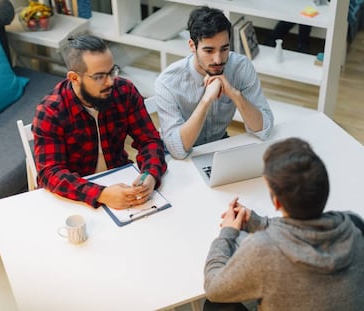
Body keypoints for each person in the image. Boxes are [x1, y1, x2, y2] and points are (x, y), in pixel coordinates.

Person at [203, 137, 364, 310]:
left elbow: (213, 288)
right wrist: (257, 222)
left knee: (214, 305)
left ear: (277, 203)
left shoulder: (263, 250)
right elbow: (305, 230)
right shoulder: (354, 225)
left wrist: (227, 233)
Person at [32, 34, 167, 210]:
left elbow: (149, 140)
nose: (110, 81)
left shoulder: (124, 91)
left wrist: (150, 174)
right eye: (99, 76)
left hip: (121, 180)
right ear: (74, 78)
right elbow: (50, 173)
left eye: (112, 71)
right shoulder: (51, 111)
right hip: (75, 197)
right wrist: (101, 194)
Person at [154, 6, 274, 160]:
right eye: (209, 51)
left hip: (217, 146)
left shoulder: (241, 67)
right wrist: (206, 100)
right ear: (192, 46)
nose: (218, 60)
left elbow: (264, 129)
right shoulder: (167, 83)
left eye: (224, 49)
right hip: (177, 155)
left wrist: (234, 93)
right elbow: (177, 150)